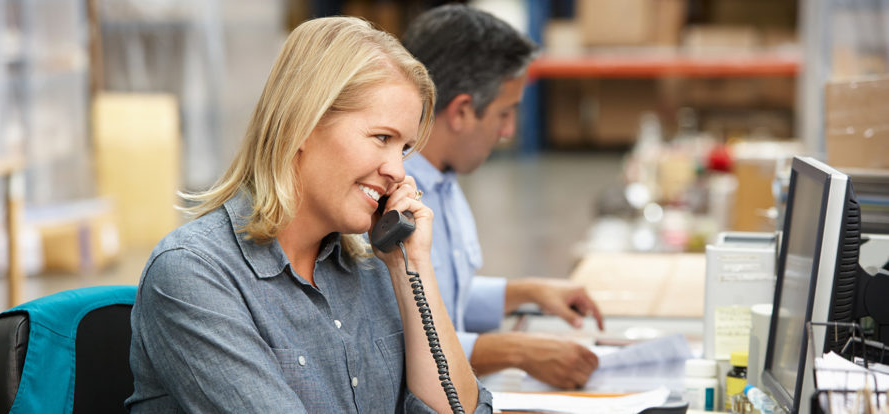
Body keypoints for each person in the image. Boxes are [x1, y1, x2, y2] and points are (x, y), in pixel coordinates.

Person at [126, 16, 491, 413]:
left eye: (402, 149)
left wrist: (412, 268)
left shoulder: (376, 265)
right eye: (382, 137)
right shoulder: (194, 273)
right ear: (302, 124)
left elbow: (460, 409)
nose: (398, 172)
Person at [402, 5, 604, 389]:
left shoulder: (443, 182)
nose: (508, 131)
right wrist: (515, 351)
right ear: (462, 111)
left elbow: (439, 299)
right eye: (505, 113)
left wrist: (527, 293)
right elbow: (398, 342)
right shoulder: (392, 203)